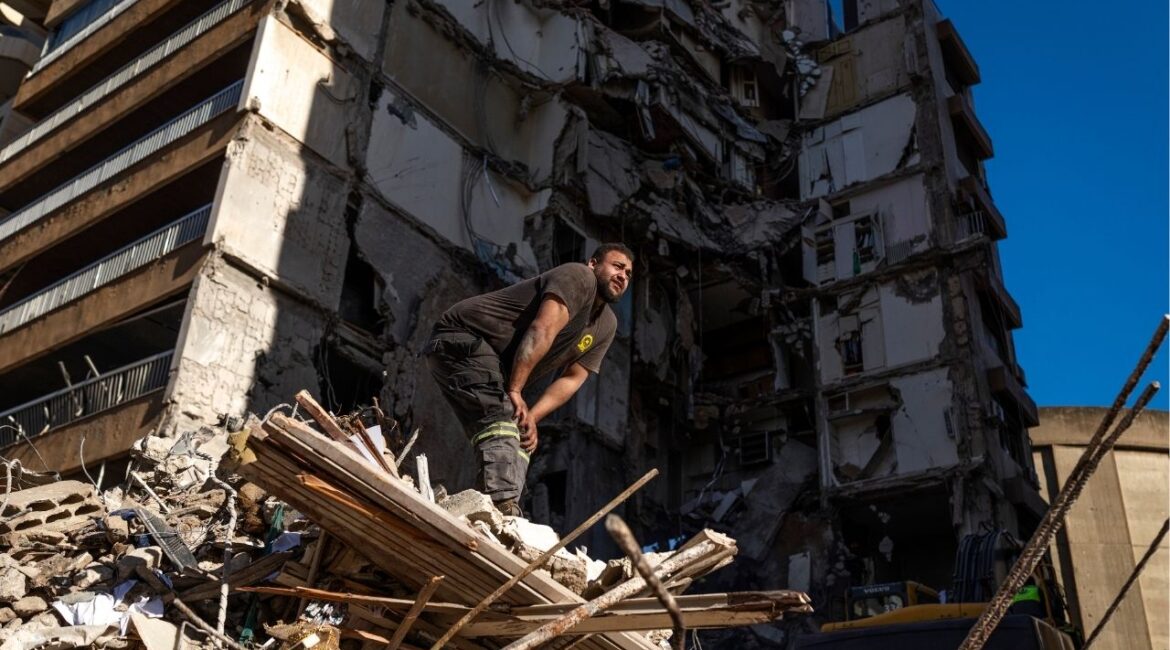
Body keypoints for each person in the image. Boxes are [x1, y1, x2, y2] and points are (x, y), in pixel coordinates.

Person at [425, 243, 634, 515]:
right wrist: (514, 389)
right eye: (617, 266)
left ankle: (495, 510)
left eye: (628, 274)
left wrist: (532, 418)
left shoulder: (606, 324)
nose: (623, 276)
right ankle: (499, 507)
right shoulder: (579, 277)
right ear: (593, 263)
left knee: (521, 435)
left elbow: (573, 378)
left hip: (493, 367)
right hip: (463, 338)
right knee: (502, 420)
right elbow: (542, 329)